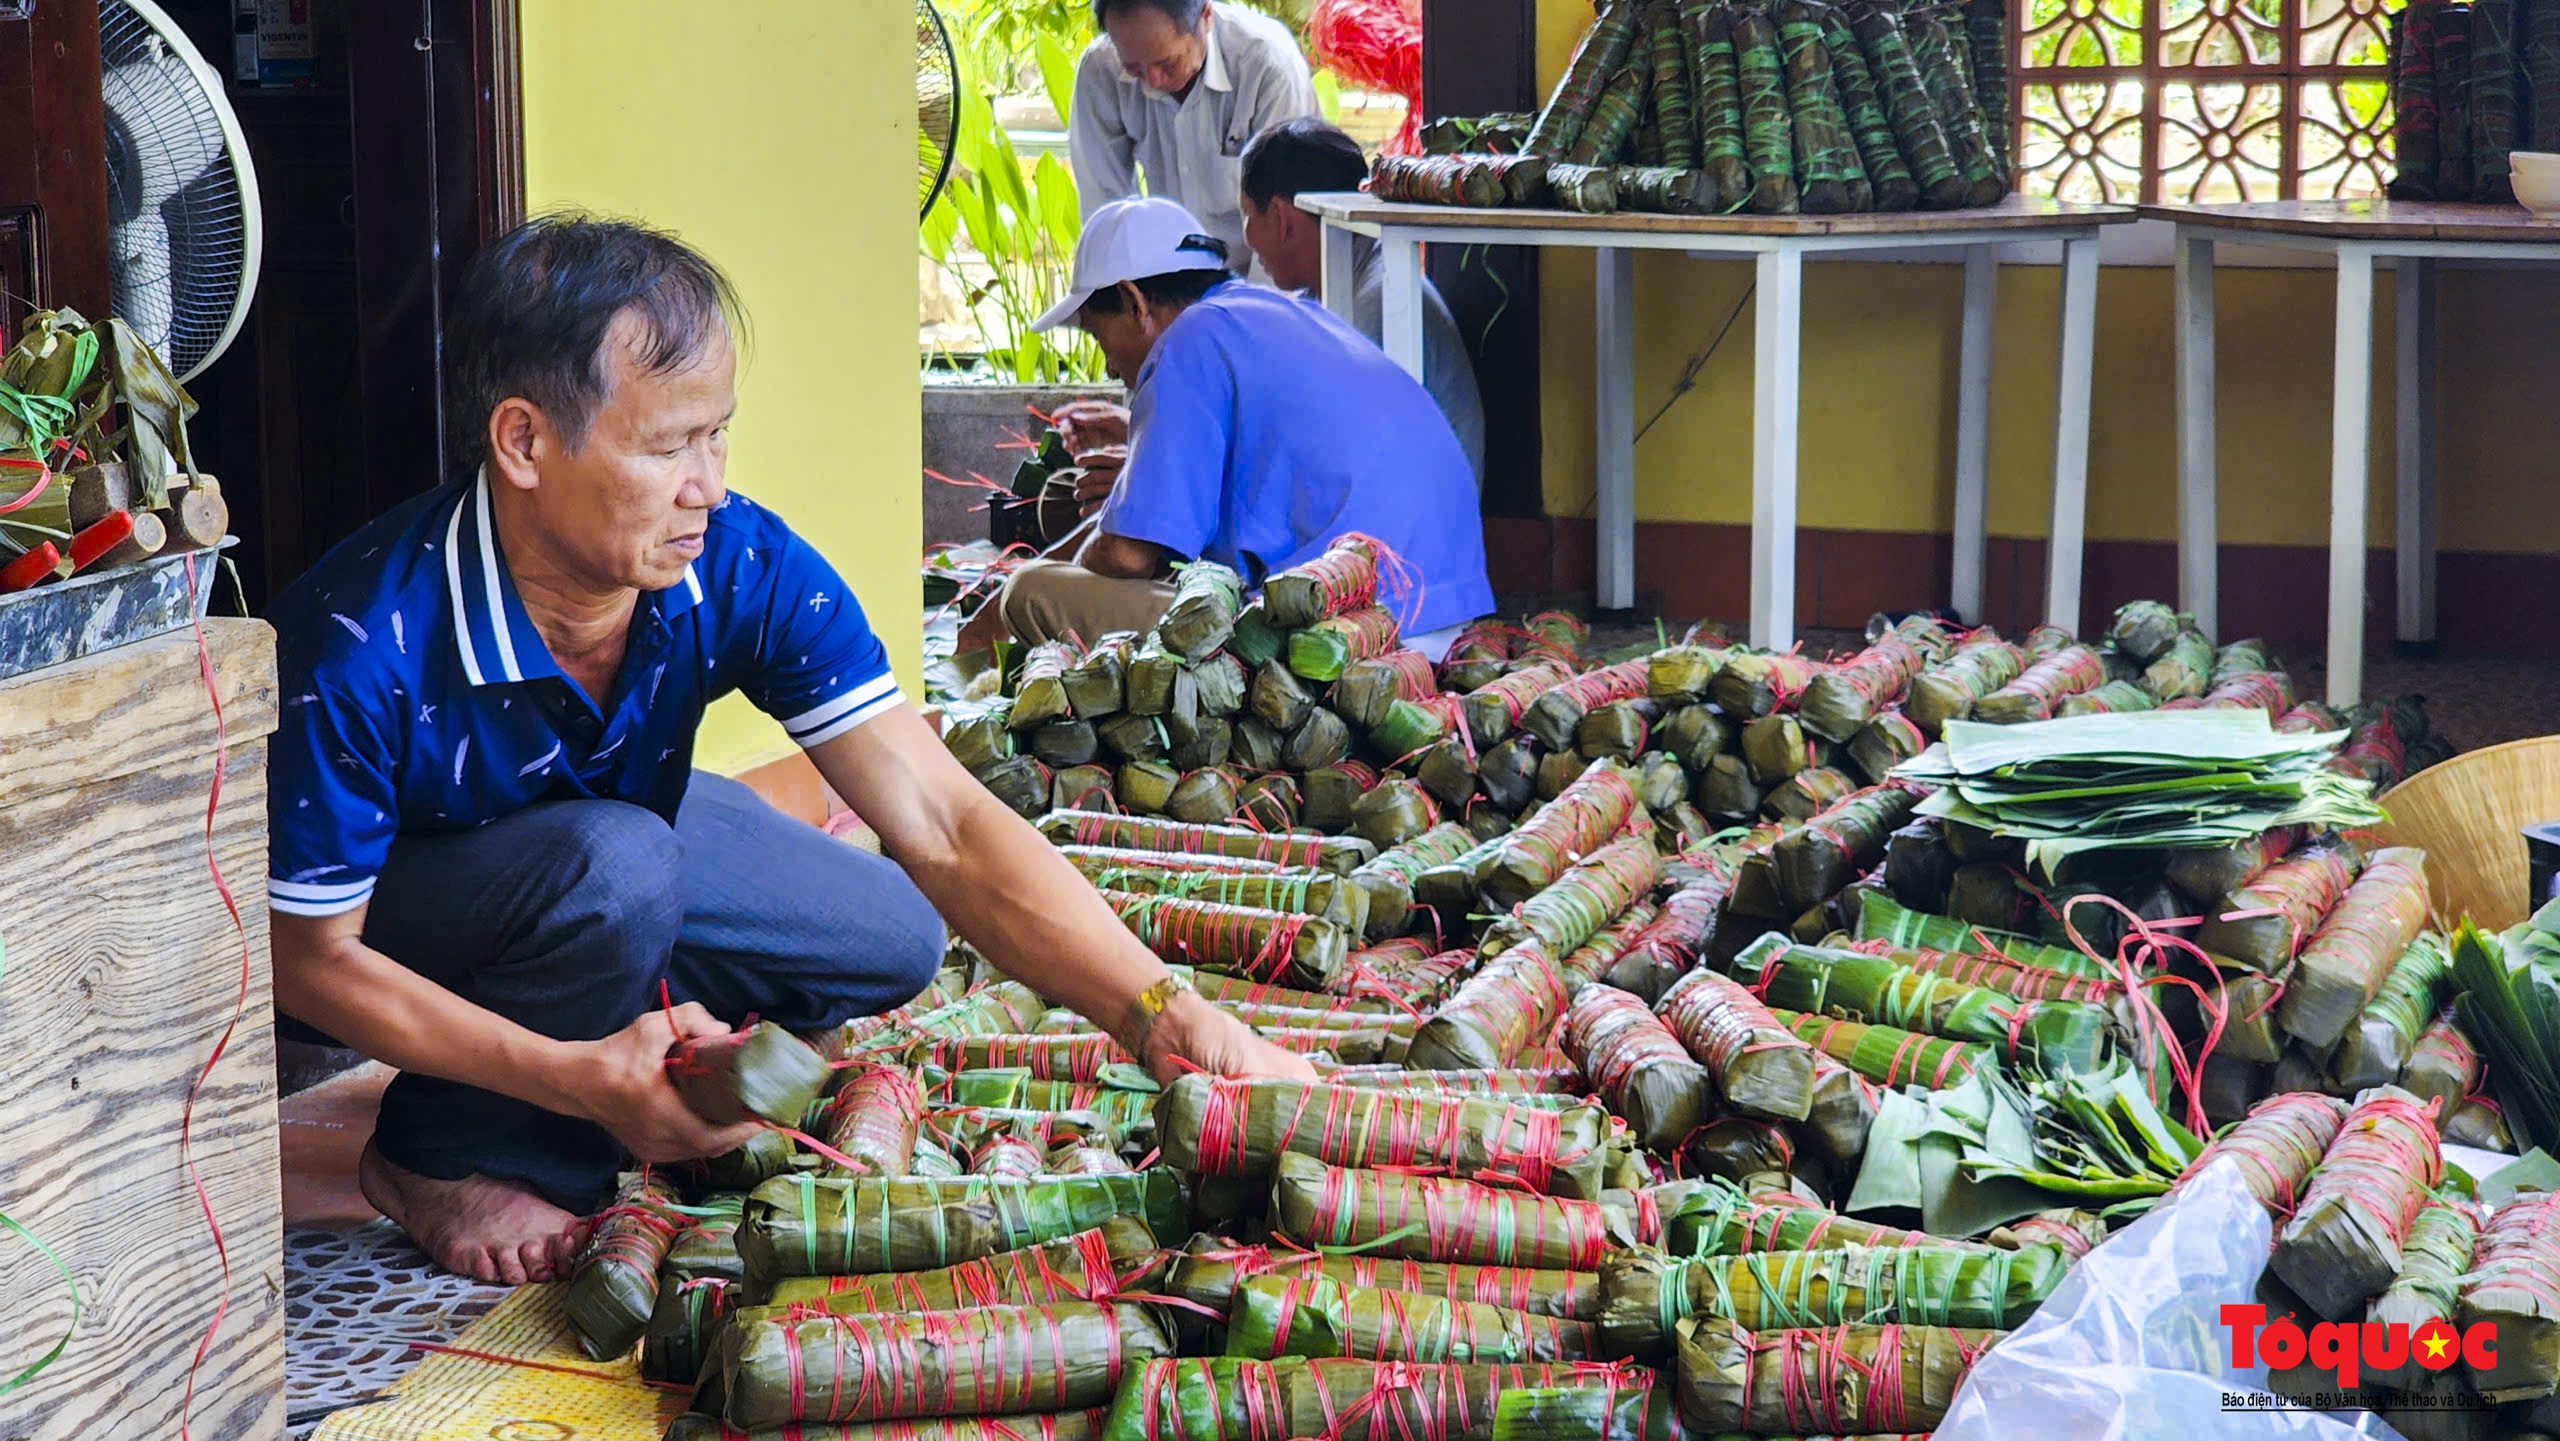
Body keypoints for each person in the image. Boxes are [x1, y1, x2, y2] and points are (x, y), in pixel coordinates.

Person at [264, 215, 1313, 1286]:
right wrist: (577, 1078)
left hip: (603, 836)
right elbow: (306, 959)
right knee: (616, 868)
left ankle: (611, 1000)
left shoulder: (739, 559)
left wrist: (1169, 1018)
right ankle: (440, 1149)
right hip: (406, 899)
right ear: (524, 442)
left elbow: (942, 821)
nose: (708, 485)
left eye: (716, 434)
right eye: (668, 445)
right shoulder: (360, 634)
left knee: (887, 933)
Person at [974, 196, 1494, 659]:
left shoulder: (1188, 340)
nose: (1108, 365)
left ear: (1135, 302)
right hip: (1443, 614)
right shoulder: (1270, 314)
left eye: (1097, 335)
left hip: (1348, 638)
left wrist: (1015, 594)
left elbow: (1127, 554)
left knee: (1032, 593)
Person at [1238, 117, 1485, 488]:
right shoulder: (1343, 284)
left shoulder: (1380, 304)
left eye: (1247, 216)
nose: (1247, 238)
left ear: (1279, 217)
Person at [1070, 0, 1318, 277]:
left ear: (1206, 17)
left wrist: (1250, 314)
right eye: (1134, 68)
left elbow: (1285, 223)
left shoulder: (1268, 65)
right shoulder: (1101, 69)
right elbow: (1105, 211)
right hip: (1171, 284)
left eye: (1167, 63)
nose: (1153, 81)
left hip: (1264, 276)